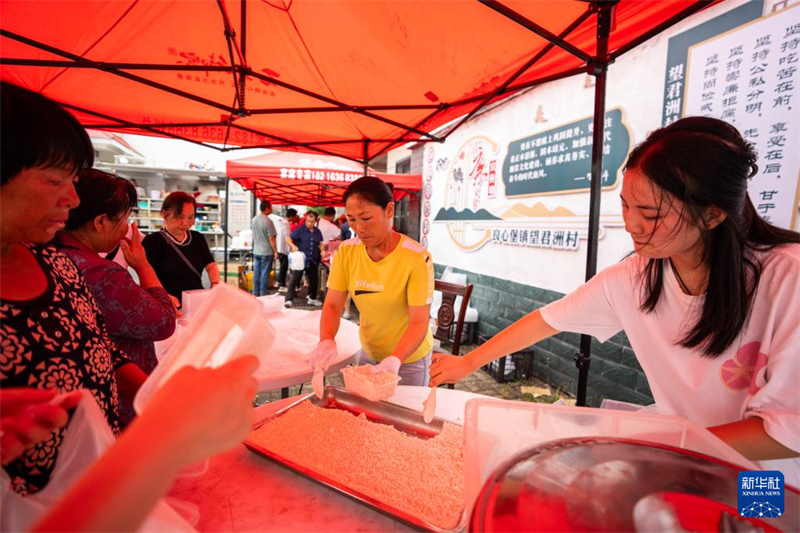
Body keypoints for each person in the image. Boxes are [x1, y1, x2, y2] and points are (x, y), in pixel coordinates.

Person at [430, 117, 800, 480]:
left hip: (768, 480)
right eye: (625, 205)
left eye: (650, 213)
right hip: (684, 463)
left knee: (752, 516)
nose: (630, 224)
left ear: (712, 215)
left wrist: (660, 444)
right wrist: (468, 362)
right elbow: (548, 319)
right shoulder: (634, 277)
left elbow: (785, 432)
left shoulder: (788, 279)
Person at [0, 81, 138, 494]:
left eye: (73, 179)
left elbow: (99, 346)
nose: (73, 199)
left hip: (98, 486)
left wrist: (159, 395)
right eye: (53, 179)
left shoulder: (55, 262)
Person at [55, 169, 177, 426]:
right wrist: (143, 265)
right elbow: (164, 322)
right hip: (115, 403)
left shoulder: (54, 253)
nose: (127, 230)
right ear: (100, 222)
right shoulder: (101, 273)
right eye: (125, 219)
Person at [308, 177, 435, 386]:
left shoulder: (417, 258)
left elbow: (419, 322)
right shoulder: (346, 252)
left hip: (409, 359)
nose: (359, 228)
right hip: (370, 353)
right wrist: (327, 339)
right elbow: (332, 305)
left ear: (389, 210)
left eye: (366, 218)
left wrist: (395, 359)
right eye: (352, 219)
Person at [142, 191, 220, 307]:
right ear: (164, 214)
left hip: (196, 303)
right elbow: (146, 278)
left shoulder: (197, 238)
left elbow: (211, 265)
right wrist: (164, 297)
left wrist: (215, 284)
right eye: (179, 217)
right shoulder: (152, 242)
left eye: (190, 217)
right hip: (166, 305)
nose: (185, 223)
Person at [285, 211, 326, 307]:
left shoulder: (318, 232)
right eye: (307, 221)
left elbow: (320, 243)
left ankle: (312, 299)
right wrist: (293, 246)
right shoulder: (300, 229)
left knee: (314, 279)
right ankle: (289, 300)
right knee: (295, 279)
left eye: (311, 222)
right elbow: (288, 238)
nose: (309, 223)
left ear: (315, 221)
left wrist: (323, 250)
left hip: (312, 259)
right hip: (300, 260)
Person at [251, 200, 278, 297]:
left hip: (256, 250)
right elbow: (272, 238)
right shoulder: (268, 221)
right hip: (266, 251)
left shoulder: (254, 219)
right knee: (265, 273)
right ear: (266, 208)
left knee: (257, 272)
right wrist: (275, 251)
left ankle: (255, 292)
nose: (271, 208)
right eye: (270, 207)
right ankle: (263, 292)